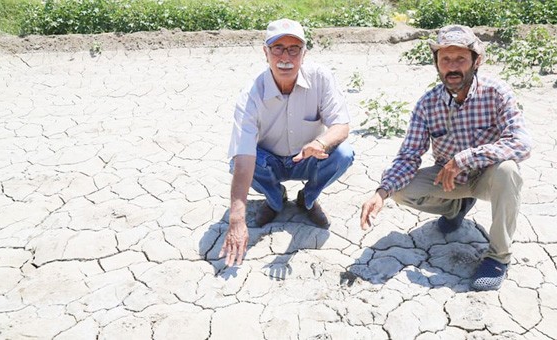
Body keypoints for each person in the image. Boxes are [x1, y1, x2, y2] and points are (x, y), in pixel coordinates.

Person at [360, 25, 531, 291]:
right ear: (436, 63)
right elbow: (408, 156)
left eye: (460, 59)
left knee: (508, 171)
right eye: (445, 59)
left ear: (477, 61)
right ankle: (455, 208)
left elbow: (521, 144)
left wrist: (465, 158)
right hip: (448, 180)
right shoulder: (427, 104)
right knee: (399, 190)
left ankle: (498, 257)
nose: (452, 67)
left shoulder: (497, 93)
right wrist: (380, 192)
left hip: (487, 176)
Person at [220, 18, 354, 267]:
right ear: (265, 52)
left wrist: (321, 143)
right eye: (278, 48)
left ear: (304, 53)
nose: (286, 57)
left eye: (294, 49)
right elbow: (244, 156)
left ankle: (307, 199)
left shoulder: (320, 78)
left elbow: (341, 126)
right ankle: (275, 200)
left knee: (344, 154)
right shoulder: (251, 94)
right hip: (268, 161)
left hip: (308, 158)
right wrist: (236, 219)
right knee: (237, 163)